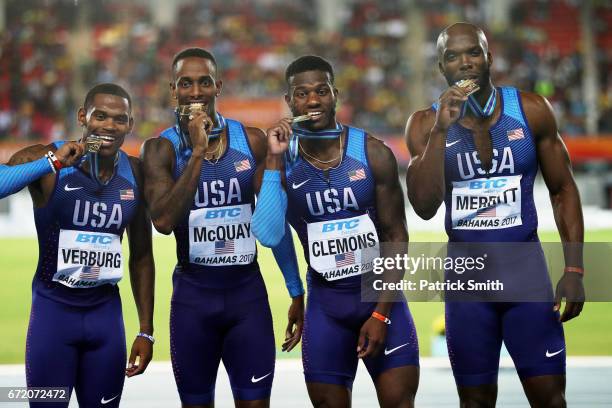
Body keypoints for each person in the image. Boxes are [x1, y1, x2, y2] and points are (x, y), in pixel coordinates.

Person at [405, 22, 585, 407]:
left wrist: (574, 270)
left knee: (551, 400)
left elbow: (563, 189)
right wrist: (440, 131)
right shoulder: (424, 123)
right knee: (475, 403)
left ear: (489, 57)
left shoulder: (532, 110)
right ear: (441, 68)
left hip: (527, 278)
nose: (464, 62)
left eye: (472, 52)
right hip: (468, 283)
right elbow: (423, 207)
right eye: (452, 56)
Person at [252, 55, 419, 408]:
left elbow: (396, 238)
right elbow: (269, 234)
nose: (313, 101)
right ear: (289, 101)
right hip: (326, 306)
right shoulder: (281, 163)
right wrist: (274, 160)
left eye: (321, 91)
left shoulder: (372, 153)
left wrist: (380, 313)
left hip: (380, 299)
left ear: (335, 94)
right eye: (302, 94)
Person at [140, 47, 304, 408]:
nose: (195, 92)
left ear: (219, 87)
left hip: (247, 296)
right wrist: (197, 151)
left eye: (203, 83)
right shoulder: (160, 150)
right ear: (173, 91)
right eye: (186, 83)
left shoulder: (253, 141)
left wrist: (295, 289)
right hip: (193, 298)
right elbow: (164, 221)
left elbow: (274, 223)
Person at [4, 83, 155, 408]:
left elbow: (142, 255)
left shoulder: (135, 173)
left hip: (106, 319)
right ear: (83, 116)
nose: (109, 126)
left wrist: (146, 330)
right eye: (101, 116)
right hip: (53, 316)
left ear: (130, 125)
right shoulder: (45, 159)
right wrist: (54, 163)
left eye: (119, 119)